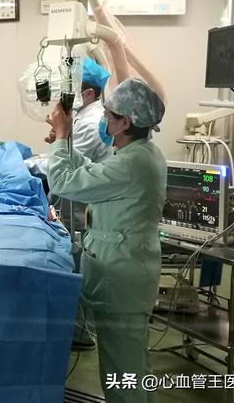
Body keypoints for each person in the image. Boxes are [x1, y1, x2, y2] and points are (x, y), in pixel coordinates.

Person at [46, 78, 166, 403]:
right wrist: (64, 145)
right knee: (132, 366)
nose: (103, 119)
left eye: (109, 115)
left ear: (125, 122)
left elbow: (63, 182)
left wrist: (61, 138)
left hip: (123, 277)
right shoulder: (141, 153)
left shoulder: (131, 164)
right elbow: (93, 172)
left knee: (122, 373)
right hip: (129, 269)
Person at [47, 57, 113, 349]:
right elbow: (75, 158)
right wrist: (61, 139)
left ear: (87, 93)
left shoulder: (92, 121)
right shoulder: (86, 117)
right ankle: (78, 328)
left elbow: (63, 175)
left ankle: (81, 333)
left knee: (78, 263)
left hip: (83, 207)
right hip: (81, 202)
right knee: (76, 261)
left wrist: (62, 138)